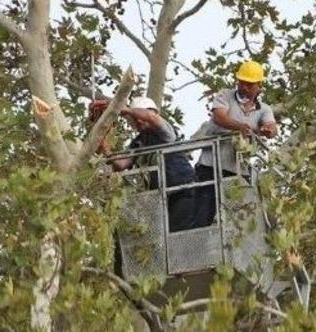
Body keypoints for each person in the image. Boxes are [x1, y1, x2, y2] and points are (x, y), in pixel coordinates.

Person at [192, 60, 278, 228]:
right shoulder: (225, 95)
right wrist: (240, 127)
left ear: (259, 86)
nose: (244, 87)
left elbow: (272, 127)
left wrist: (269, 130)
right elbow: (219, 117)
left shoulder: (264, 109)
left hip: (238, 170)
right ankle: (198, 240)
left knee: (239, 219)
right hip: (210, 166)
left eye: (249, 84)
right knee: (202, 215)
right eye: (242, 82)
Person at [113, 96, 196, 232]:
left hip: (183, 189)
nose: (139, 120)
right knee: (161, 234)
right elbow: (121, 165)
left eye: (140, 116)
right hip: (161, 196)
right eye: (135, 119)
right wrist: (104, 146)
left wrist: (126, 110)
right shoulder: (138, 142)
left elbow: (151, 117)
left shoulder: (165, 132)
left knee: (178, 232)